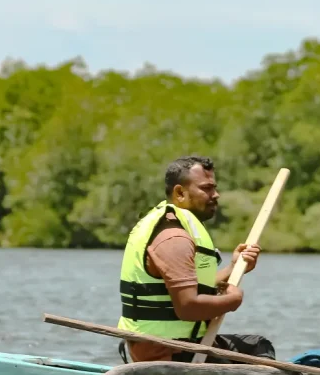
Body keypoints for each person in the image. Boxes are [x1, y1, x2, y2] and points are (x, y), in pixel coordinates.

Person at [117, 155, 275, 363]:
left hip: (181, 344)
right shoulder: (174, 237)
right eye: (206, 189)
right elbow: (188, 307)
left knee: (257, 345)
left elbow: (194, 287)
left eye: (214, 188)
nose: (216, 195)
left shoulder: (175, 225)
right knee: (258, 358)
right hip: (166, 352)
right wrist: (232, 300)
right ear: (180, 193)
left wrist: (234, 268)